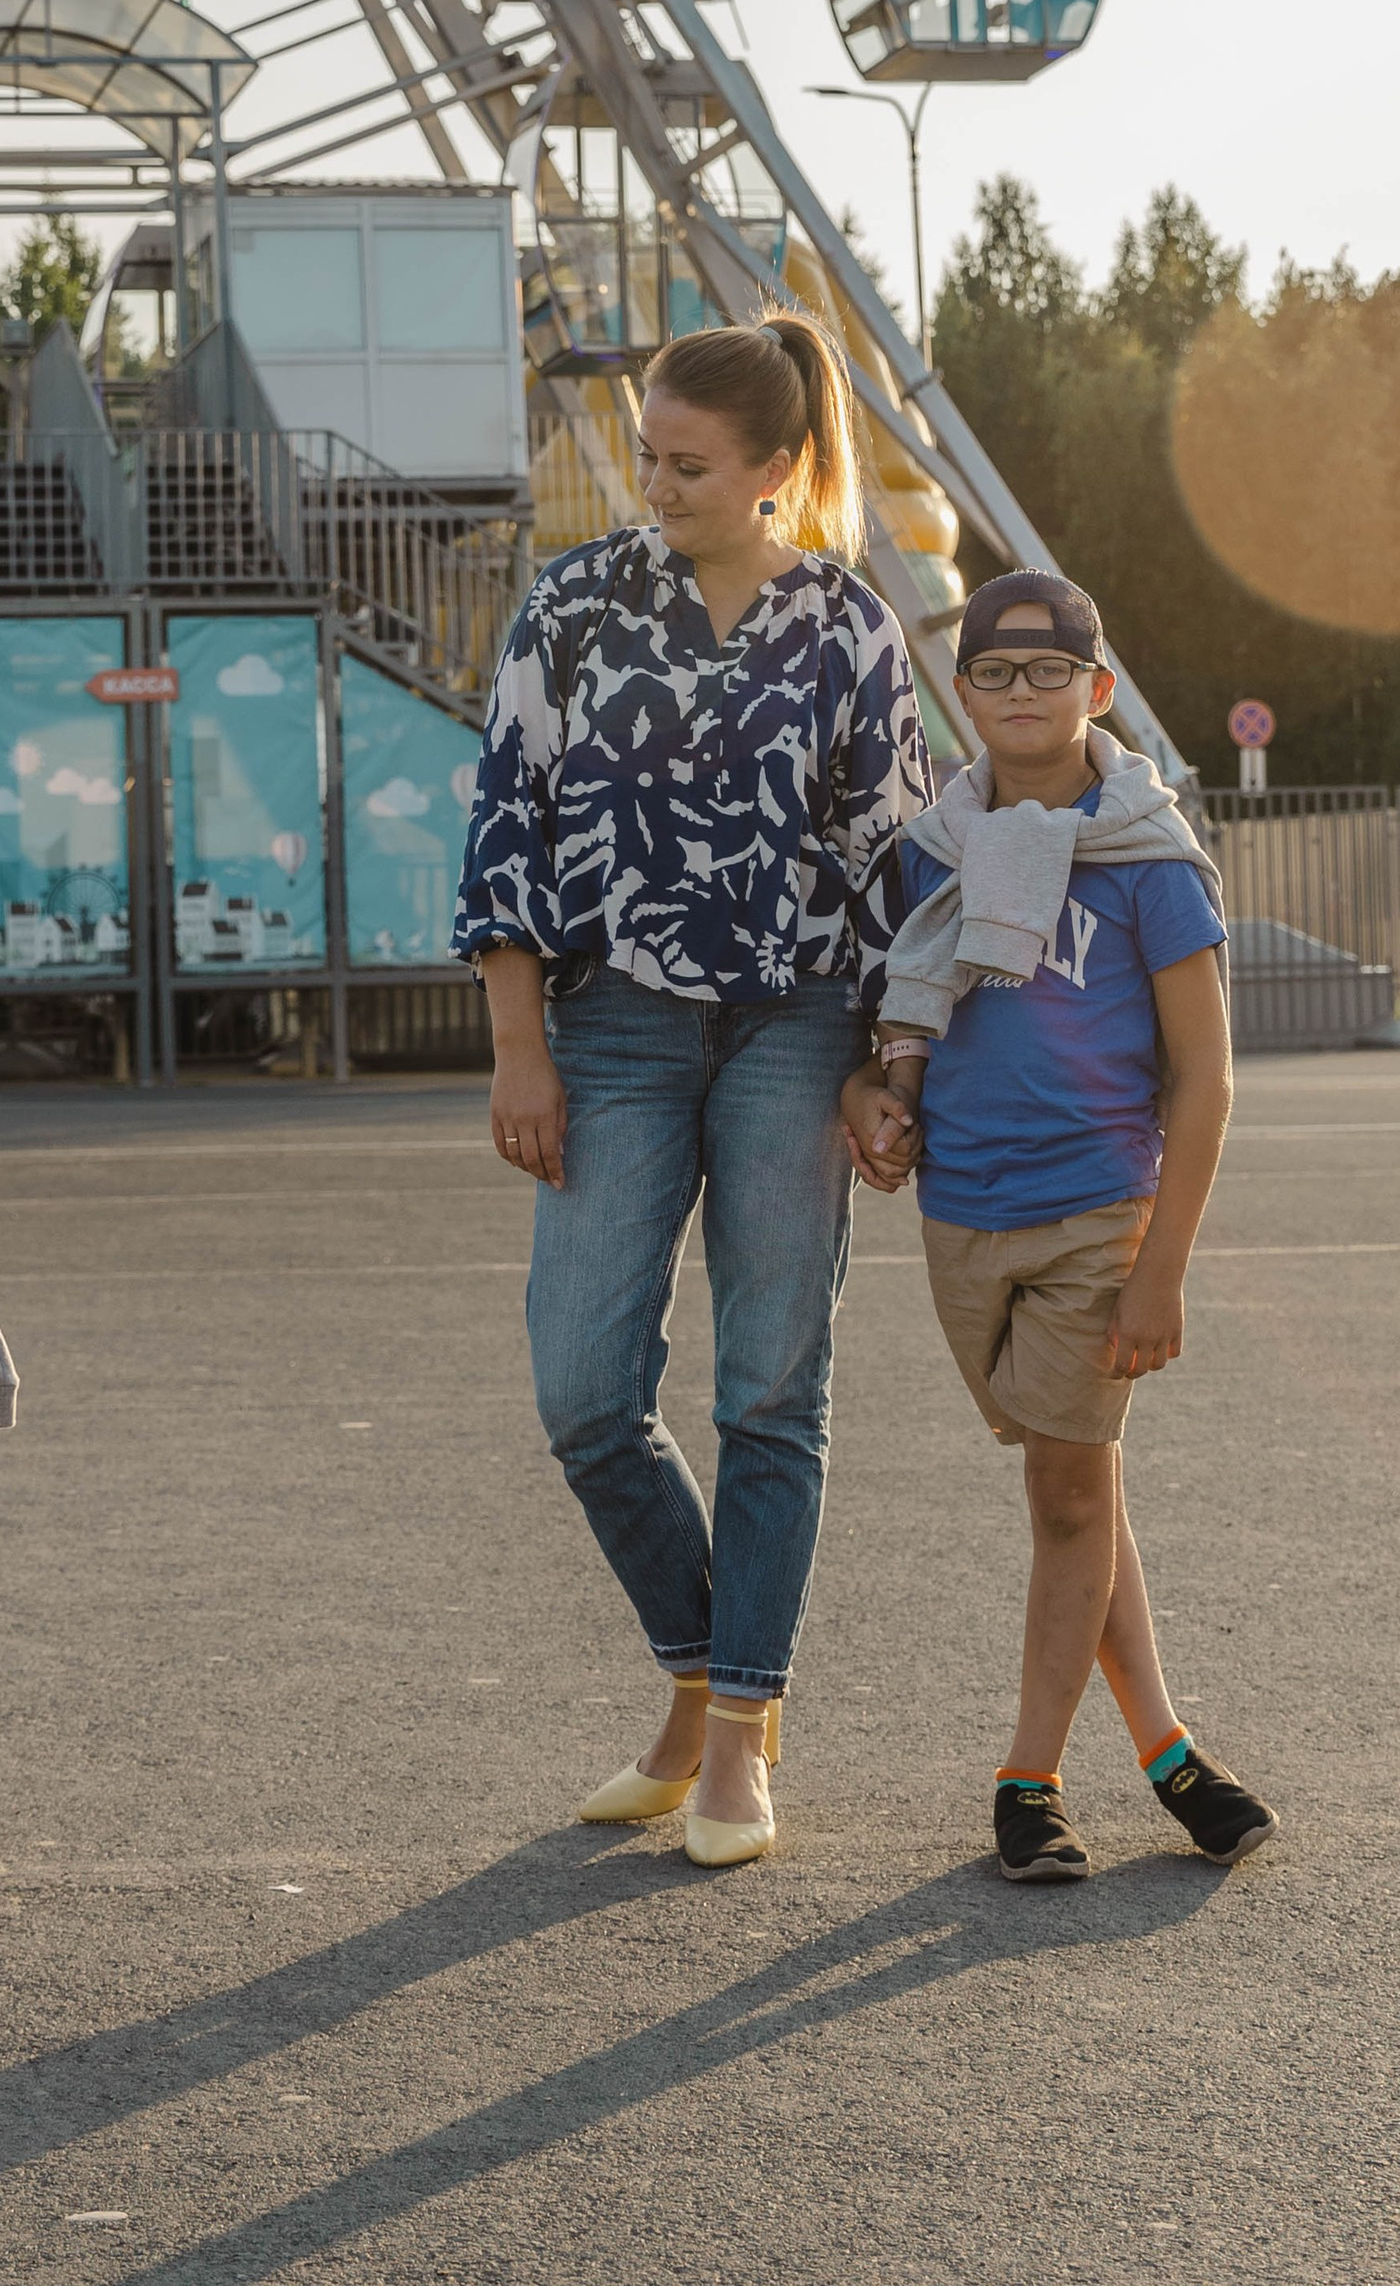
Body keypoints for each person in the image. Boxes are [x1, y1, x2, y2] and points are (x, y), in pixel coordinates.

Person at [457, 315, 929, 1869]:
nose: (653, 481)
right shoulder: (575, 605)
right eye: (646, 452)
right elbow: (506, 830)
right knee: (587, 1391)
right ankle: (699, 1673)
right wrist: (519, 1043)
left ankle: (734, 1738)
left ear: (780, 470)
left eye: (688, 462)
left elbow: (891, 874)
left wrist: (882, 1066)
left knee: (770, 1391)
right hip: (610, 1029)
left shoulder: (853, 629)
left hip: (799, 1027)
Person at [841, 568, 1279, 1882]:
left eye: (1050, 671)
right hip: (962, 1217)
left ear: (1098, 688)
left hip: (1099, 1211)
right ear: (959, 692)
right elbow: (883, 1039)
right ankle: (1171, 1752)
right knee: (1076, 1486)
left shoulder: (1148, 860)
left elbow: (1206, 1074)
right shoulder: (929, 851)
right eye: (994, 671)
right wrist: (873, 1101)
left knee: (1068, 1488)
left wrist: (1162, 1269)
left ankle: (1025, 1781)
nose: (1022, 692)